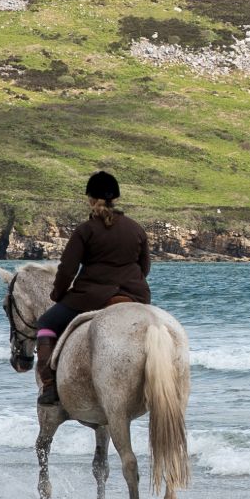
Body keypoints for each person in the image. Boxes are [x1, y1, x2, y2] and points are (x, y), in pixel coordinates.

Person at [34, 171, 152, 405]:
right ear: (115, 198)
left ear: (90, 199)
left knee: (45, 324)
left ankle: (49, 386)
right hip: (134, 295)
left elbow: (67, 270)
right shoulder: (136, 228)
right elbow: (144, 267)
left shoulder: (85, 230)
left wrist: (58, 295)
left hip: (91, 297)